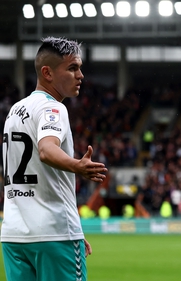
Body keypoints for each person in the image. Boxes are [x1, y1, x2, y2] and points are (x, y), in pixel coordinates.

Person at [1, 37, 108, 281]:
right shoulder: (53, 108)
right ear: (47, 73)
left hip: (14, 236)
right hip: (54, 233)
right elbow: (47, 150)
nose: (80, 75)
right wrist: (78, 166)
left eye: (79, 67)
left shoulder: (14, 111)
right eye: (72, 68)